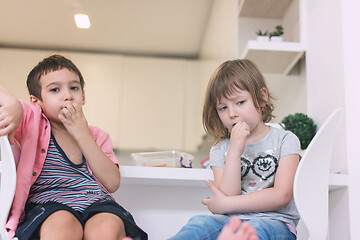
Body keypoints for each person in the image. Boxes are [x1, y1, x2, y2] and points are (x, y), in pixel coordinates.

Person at [0, 54, 147, 240]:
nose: (68, 95)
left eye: (74, 88)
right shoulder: (30, 122)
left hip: (98, 203)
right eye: (55, 90)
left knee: (107, 228)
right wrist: (13, 104)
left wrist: (81, 133)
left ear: (83, 96)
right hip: (49, 205)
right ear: (36, 102)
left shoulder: (97, 136)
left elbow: (112, 183)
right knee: (62, 224)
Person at [168, 59, 301, 240]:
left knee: (257, 229)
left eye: (240, 102)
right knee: (199, 224)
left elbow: (282, 195)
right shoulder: (220, 149)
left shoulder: (286, 139)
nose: (232, 113)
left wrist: (226, 204)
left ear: (262, 97)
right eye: (223, 107)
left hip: (275, 221)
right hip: (232, 222)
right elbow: (229, 193)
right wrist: (235, 151)